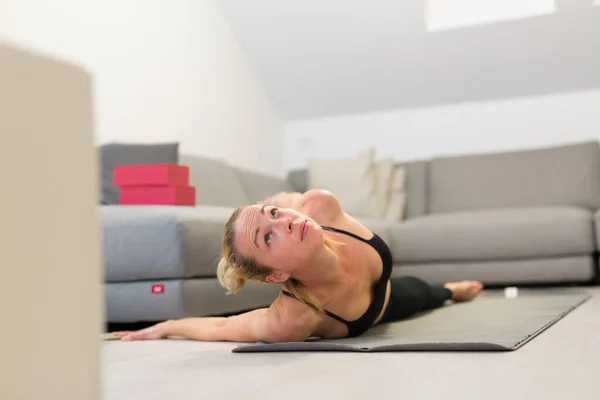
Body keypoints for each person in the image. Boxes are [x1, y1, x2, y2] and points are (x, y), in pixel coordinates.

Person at [113, 189, 483, 343]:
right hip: (381, 307)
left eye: (273, 215)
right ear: (277, 276)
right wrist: (167, 326)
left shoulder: (319, 206)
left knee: (426, 290)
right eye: (268, 238)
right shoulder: (294, 318)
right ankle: (450, 290)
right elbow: (224, 326)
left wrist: (267, 217)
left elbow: (283, 205)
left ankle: (449, 290)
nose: (284, 221)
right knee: (422, 295)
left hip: (383, 282)